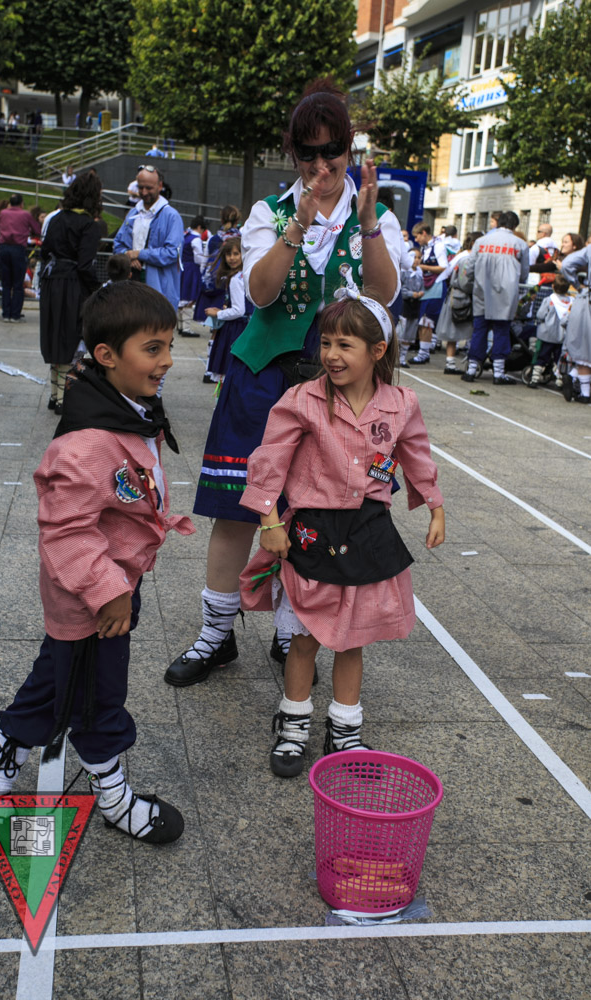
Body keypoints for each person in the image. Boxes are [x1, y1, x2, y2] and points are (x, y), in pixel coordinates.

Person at [164, 78, 402, 688]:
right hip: (264, 377)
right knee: (238, 508)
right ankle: (215, 634)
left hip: (337, 385)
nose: (322, 166)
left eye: (333, 151)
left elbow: (382, 296)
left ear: (349, 149)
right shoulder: (269, 213)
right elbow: (261, 293)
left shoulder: (375, 214)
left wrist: (369, 226)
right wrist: (297, 226)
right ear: (293, 154)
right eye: (309, 153)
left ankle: (291, 629)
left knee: (316, 512)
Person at [0, 282, 193, 843]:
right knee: (97, 696)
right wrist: (109, 592)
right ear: (107, 355)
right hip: (93, 596)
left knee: (55, 680)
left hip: (107, 585)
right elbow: (66, 528)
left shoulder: (125, 408)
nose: (167, 360)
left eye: (168, 346)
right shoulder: (87, 442)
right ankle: (111, 796)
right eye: (153, 349)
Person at [236, 289, 444, 775]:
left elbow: (416, 453)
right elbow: (270, 459)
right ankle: (293, 725)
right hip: (313, 531)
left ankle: (345, 731)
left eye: (345, 345)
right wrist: (269, 521)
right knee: (305, 637)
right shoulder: (302, 398)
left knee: (353, 640)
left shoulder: (401, 403)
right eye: (326, 342)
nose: (330, 354)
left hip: (369, 530)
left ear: (377, 350)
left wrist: (435, 505)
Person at [40, 173, 103, 413]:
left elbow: (45, 251)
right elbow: (85, 265)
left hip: (51, 283)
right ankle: (63, 399)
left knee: (56, 338)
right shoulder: (89, 225)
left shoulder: (56, 219)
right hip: (72, 286)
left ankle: (54, 395)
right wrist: (97, 289)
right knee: (70, 339)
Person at [461, 211, 530, 384]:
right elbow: (524, 274)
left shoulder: (481, 242)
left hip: (481, 291)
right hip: (506, 294)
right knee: (501, 331)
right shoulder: (520, 244)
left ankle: (471, 369)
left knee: (479, 330)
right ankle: (498, 373)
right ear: (515, 226)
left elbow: (470, 268)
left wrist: (470, 284)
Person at [113, 165, 184, 313]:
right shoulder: (133, 213)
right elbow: (118, 244)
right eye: (141, 187)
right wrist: (128, 256)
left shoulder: (171, 216)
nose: (144, 192)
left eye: (149, 188)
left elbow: (172, 253)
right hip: (130, 285)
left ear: (160, 186)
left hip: (158, 291)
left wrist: (139, 254)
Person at [204, 236, 253, 383]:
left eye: (236, 254)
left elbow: (238, 310)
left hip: (235, 329)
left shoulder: (236, 279)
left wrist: (218, 313)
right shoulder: (246, 274)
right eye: (228, 254)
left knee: (227, 373)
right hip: (247, 327)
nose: (232, 258)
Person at [436, 231, 483, 374]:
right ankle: (451, 363)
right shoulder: (467, 259)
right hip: (460, 299)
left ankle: (455, 362)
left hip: (458, 297)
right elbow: (464, 282)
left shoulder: (463, 256)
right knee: (454, 330)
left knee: (456, 331)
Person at [192, 205, 242, 323]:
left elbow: (204, 263)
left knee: (213, 321)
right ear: (237, 221)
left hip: (214, 283)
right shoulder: (242, 239)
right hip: (233, 284)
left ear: (221, 220)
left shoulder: (213, 239)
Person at [0, 193, 41, 322]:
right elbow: (37, 230)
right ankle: (15, 314)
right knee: (17, 283)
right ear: (21, 203)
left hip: (4, 247)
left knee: (6, 283)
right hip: (18, 248)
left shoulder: (3, 213)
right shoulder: (25, 214)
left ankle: (6, 313)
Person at [409, 222, 448, 364]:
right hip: (426, 287)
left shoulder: (438, 246)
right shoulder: (425, 247)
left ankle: (423, 353)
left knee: (427, 321)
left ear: (424, 233)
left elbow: (444, 267)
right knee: (422, 322)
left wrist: (422, 267)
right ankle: (424, 352)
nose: (416, 240)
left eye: (417, 236)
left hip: (436, 286)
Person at [561, 242, 591, 403]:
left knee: (585, 347)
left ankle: (573, 376)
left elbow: (566, 264)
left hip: (587, 298)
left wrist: (579, 286)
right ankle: (584, 392)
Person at [528, 275, 571, 388]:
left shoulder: (549, 300)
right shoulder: (570, 301)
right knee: (558, 359)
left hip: (547, 334)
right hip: (562, 336)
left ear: (553, 286)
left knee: (542, 356)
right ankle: (559, 380)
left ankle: (535, 378)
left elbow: (540, 315)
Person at [178, 215, 207, 336]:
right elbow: (198, 257)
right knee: (189, 298)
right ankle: (186, 328)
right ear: (199, 227)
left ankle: (181, 326)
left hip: (184, 268)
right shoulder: (196, 239)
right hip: (192, 270)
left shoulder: (186, 236)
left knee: (183, 297)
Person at [396, 247, 423, 368]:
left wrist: (420, 293)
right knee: (401, 331)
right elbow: (400, 288)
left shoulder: (419, 273)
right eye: (414, 257)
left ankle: (402, 358)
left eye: (419, 257)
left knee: (410, 333)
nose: (416, 260)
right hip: (405, 305)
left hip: (415, 306)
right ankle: (395, 356)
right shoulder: (404, 272)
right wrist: (412, 294)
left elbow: (422, 287)